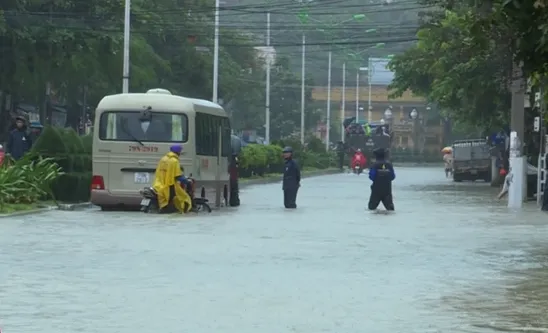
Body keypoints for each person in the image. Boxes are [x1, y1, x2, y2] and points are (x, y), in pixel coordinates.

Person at [152, 145, 193, 214]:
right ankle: (179, 210)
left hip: (159, 184)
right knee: (183, 197)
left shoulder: (163, 159)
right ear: (178, 152)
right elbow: (177, 175)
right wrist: (186, 181)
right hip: (170, 185)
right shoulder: (174, 161)